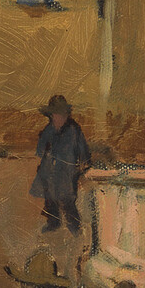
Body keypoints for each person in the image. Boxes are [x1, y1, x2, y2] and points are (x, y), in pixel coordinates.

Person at [31, 94, 90, 234]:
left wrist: (83, 166)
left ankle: (75, 227)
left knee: (67, 199)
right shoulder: (48, 129)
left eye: (61, 114)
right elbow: (40, 150)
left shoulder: (74, 130)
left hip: (67, 172)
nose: (58, 117)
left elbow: (83, 150)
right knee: (50, 198)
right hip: (49, 171)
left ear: (66, 114)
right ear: (51, 115)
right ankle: (53, 223)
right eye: (55, 114)